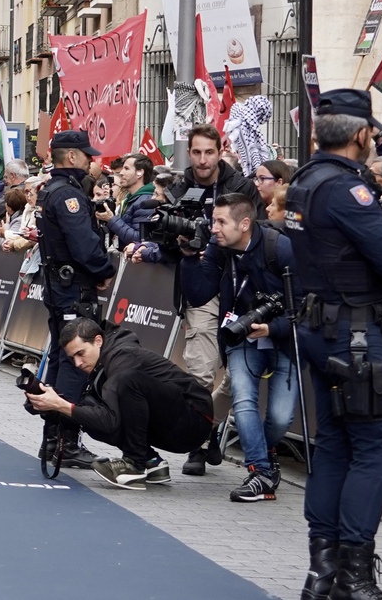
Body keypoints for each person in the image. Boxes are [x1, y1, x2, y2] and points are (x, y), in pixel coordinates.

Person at [284, 89, 382, 600]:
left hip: (321, 328)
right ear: (362, 135)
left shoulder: (304, 181)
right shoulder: (346, 190)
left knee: (335, 444)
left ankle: (323, 571)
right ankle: (354, 576)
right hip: (353, 333)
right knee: (377, 449)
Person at [180, 193, 301, 503]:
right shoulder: (219, 249)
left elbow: (303, 308)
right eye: (213, 220)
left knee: (280, 418)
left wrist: (272, 328)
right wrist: (189, 257)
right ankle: (260, 472)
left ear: (244, 224)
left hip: (284, 339)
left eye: (221, 221)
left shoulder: (281, 248)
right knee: (243, 400)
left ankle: (267, 452)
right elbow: (198, 294)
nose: (213, 228)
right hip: (241, 338)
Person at [166, 123, 266, 476]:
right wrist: (176, 239)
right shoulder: (180, 187)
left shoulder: (241, 186)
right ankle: (196, 443)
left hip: (240, 284)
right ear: (188, 152)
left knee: (233, 379)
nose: (203, 160)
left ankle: (209, 428)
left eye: (209, 152)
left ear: (220, 150)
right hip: (201, 285)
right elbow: (167, 243)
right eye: (196, 152)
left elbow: (259, 232)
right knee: (199, 370)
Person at [27, 318, 213, 491]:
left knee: (127, 382)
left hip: (195, 419)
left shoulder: (123, 356)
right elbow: (94, 416)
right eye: (72, 358)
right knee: (89, 409)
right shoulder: (103, 360)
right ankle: (151, 462)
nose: (77, 363)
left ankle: (135, 465)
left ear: (98, 341)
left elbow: (111, 421)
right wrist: (48, 407)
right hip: (173, 423)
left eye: (80, 353)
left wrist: (61, 405)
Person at [36, 130, 119, 469]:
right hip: (73, 292)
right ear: (71, 157)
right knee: (75, 364)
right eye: (86, 154)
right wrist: (105, 267)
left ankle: (53, 440)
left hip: (60, 288)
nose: (91, 160)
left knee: (60, 361)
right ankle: (65, 442)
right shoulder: (68, 195)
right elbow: (84, 245)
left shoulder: (51, 190)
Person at [104, 153, 156, 250]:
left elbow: (140, 239)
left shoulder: (146, 202)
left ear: (140, 172)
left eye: (126, 169)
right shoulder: (130, 198)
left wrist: (112, 220)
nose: (121, 173)